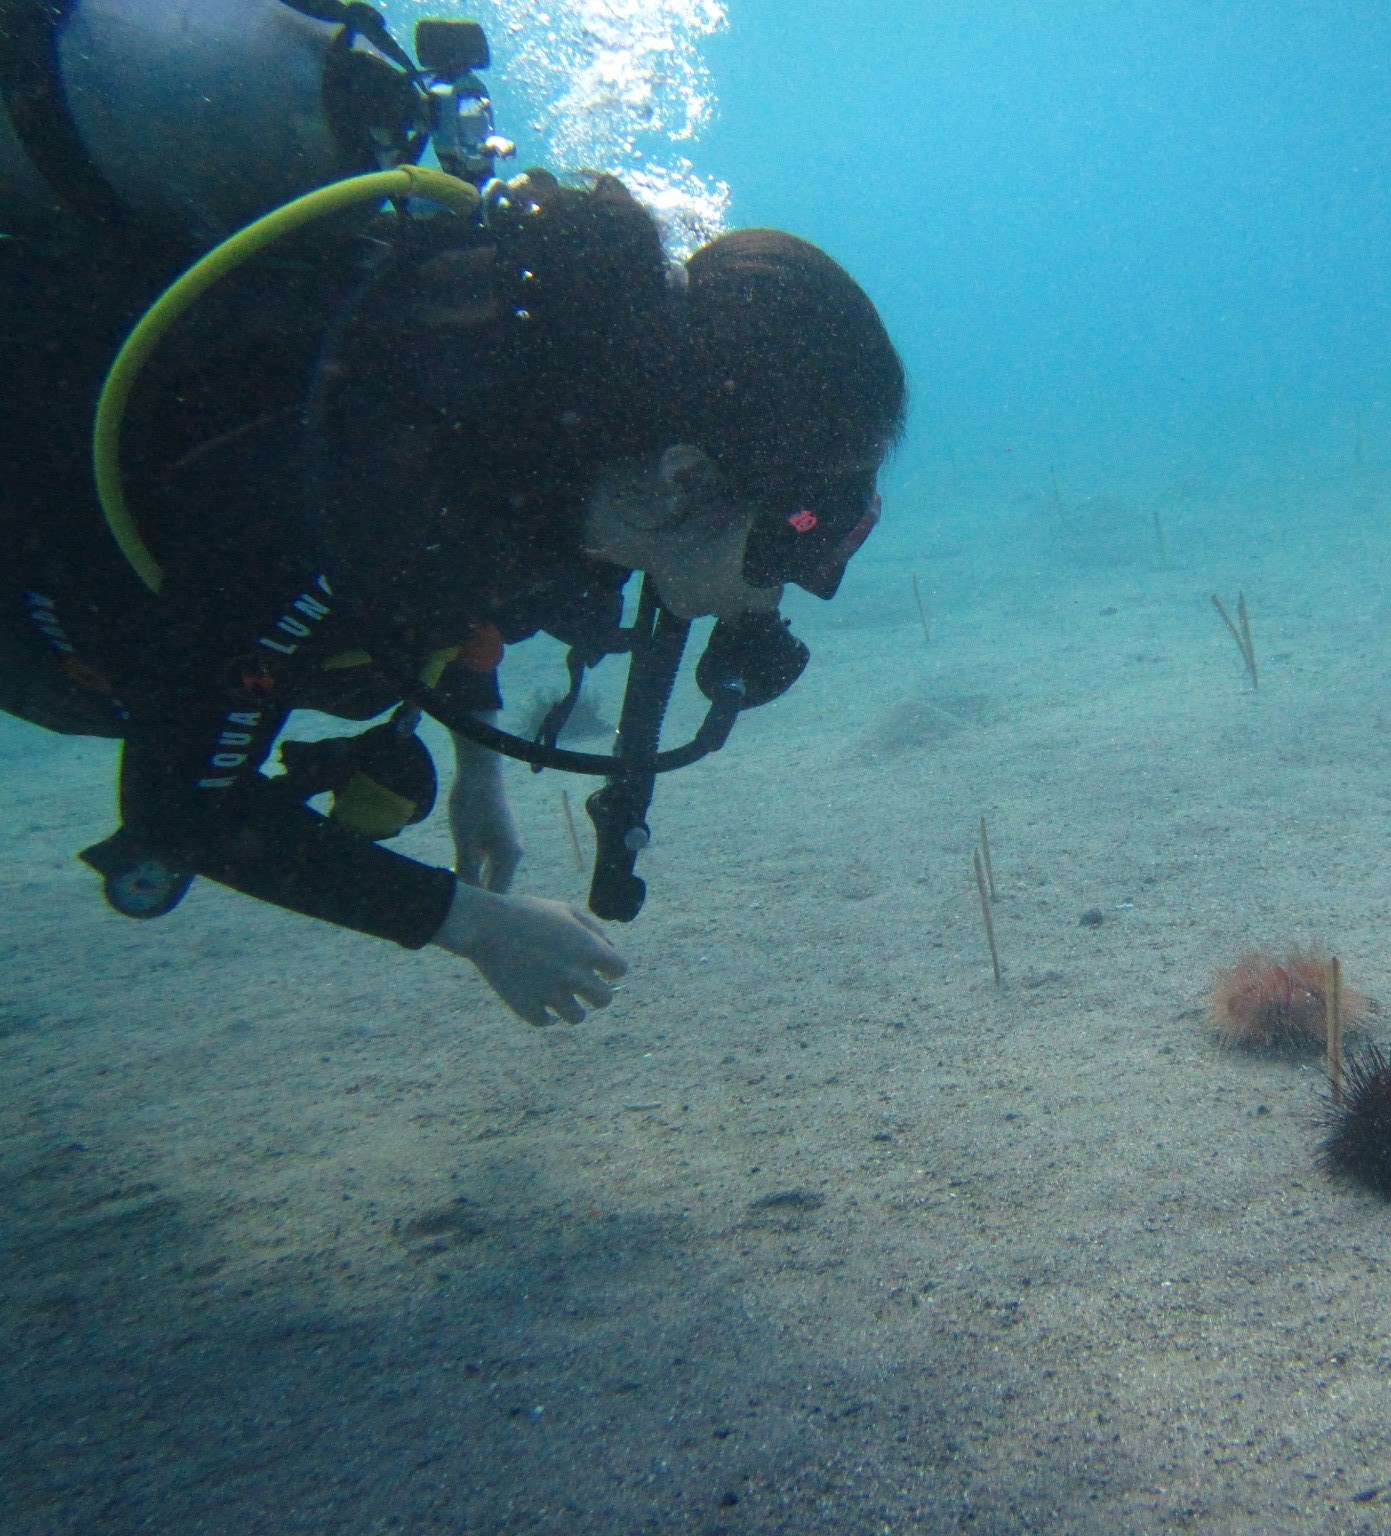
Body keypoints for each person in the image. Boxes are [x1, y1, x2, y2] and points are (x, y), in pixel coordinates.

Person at [0, 168, 906, 1026]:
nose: (795, 587)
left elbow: (470, 603)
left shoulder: (566, 452)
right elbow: (181, 810)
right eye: (789, 543)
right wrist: (472, 924)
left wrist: (477, 773)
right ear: (682, 483)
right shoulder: (371, 493)